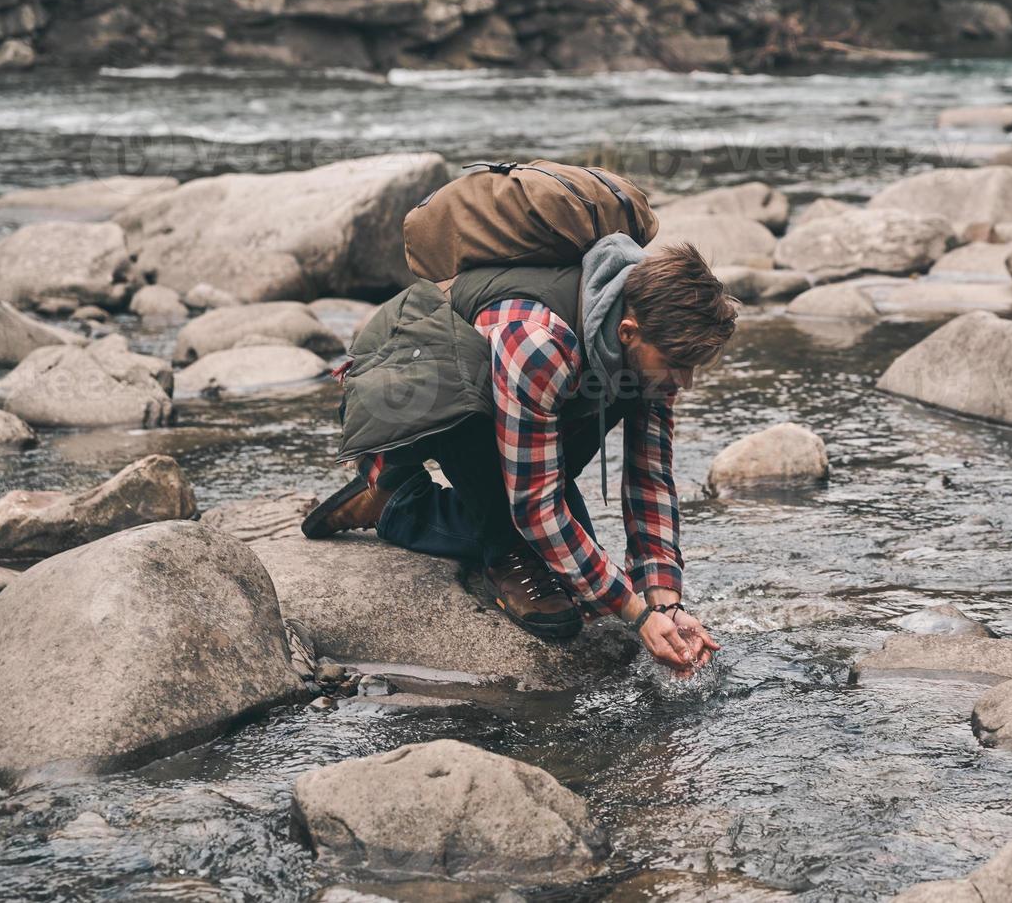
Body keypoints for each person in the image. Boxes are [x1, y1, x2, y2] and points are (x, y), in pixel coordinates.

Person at [302, 237, 737, 675]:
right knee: (564, 587)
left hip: (522, 402)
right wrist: (634, 611)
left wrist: (666, 601)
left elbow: (650, 482)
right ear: (627, 332)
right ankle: (402, 503)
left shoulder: (655, 339)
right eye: (678, 363)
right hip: (411, 387)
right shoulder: (540, 342)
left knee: (583, 578)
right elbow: (536, 506)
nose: (686, 379)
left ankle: (428, 506)